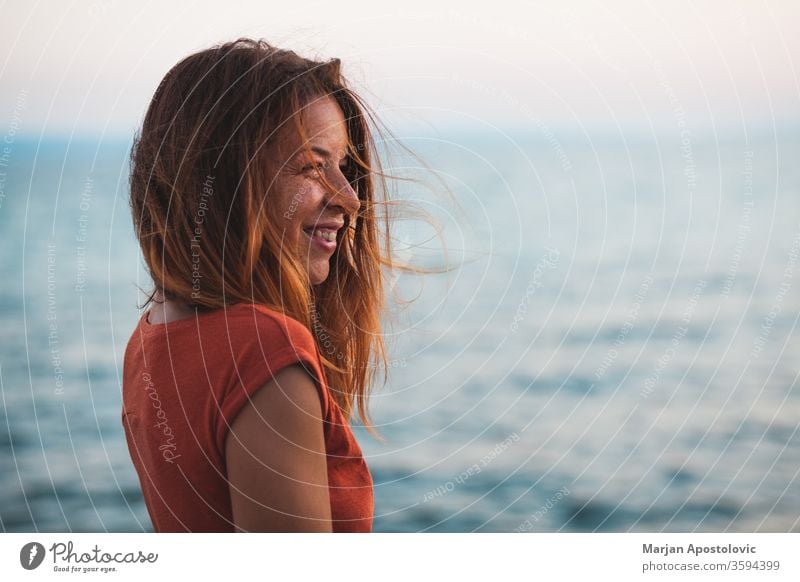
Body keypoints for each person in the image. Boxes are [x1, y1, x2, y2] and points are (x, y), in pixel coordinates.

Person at [122, 38, 396, 532]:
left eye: (343, 166)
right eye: (313, 166)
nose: (350, 198)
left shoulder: (150, 338)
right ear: (227, 176)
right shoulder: (263, 349)